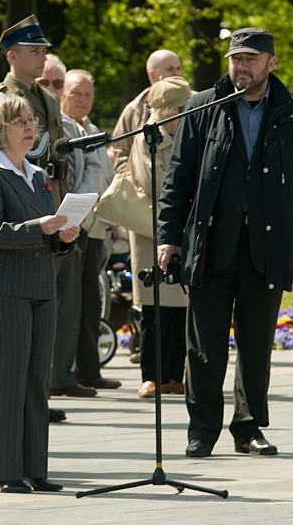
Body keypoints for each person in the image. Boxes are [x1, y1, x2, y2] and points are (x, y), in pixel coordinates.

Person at [157, 28, 293, 457]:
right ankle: (202, 431)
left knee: (255, 345)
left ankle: (248, 429)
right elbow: (178, 180)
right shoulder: (202, 107)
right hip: (211, 245)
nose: (241, 66)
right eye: (235, 59)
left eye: (250, 58)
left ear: (271, 63)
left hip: (267, 248)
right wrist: (169, 238)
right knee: (204, 347)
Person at [0, 95, 80, 493]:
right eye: (20, 121)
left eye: (31, 120)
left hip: (40, 288)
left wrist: (63, 237)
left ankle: (35, 468)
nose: (30, 126)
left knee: (36, 381)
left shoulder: (38, 175)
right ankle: (5, 471)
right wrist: (40, 227)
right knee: (7, 381)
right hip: (3, 291)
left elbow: (48, 238)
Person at [53, 67, 122, 395]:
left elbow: (105, 176)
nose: (83, 99)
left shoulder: (93, 128)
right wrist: (76, 213)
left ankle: (89, 369)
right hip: (72, 226)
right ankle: (64, 374)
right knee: (69, 304)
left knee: (92, 302)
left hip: (95, 229)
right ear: (63, 95)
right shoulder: (61, 127)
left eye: (88, 94)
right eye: (76, 93)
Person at [128, 76, 191, 399]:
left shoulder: (185, 134)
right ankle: (152, 376)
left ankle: (175, 375)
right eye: (183, 109)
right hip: (151, 232)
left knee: (179, 309)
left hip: (179, 232)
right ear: (167, 112)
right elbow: (155, 182)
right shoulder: (148, 138)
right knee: (155, 309)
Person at [0, 15, 66, 207]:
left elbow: (60, 154)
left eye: (44, 50)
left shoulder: (51, 98)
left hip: (53, 194)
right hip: (22, 197)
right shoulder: (0, 98)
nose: (43, 57)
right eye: (34, 51)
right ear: (12, 56)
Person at [110, 49, 182, 174]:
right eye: (170, 69)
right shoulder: (134, 110)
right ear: (152, 75)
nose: (176, 74)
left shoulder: (196, 104)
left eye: (178, 68)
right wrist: (137, 183)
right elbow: (120, 153)